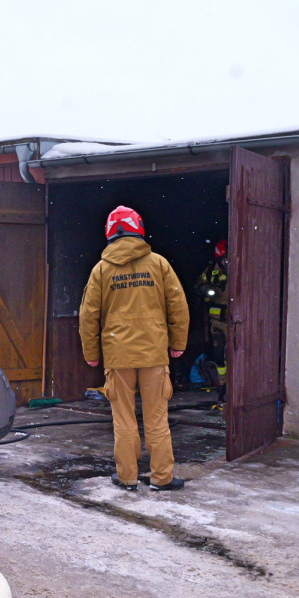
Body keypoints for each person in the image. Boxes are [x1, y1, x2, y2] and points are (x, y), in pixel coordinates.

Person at [79, 206, 190, 492]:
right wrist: (177, 343)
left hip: (118, 356)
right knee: (156, 419)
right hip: (153, 354)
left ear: (110, 232)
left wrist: (91, 353)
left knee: (124, 420)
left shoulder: (101, 270)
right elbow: (178, 306)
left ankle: (127, 478)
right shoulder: (159, 264)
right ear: (138, 228)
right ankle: (161, 478)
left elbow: (88, 315)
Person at [194, 239, 228, 402]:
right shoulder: (210, 272)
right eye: (224, 259)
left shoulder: (241, 269)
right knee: (219, 355)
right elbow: (198, 287)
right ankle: (223, 386)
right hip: (217, 322)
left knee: (238, 354)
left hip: (238, 321)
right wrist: (208, 290)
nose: (227, 262)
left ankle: (240, 386)